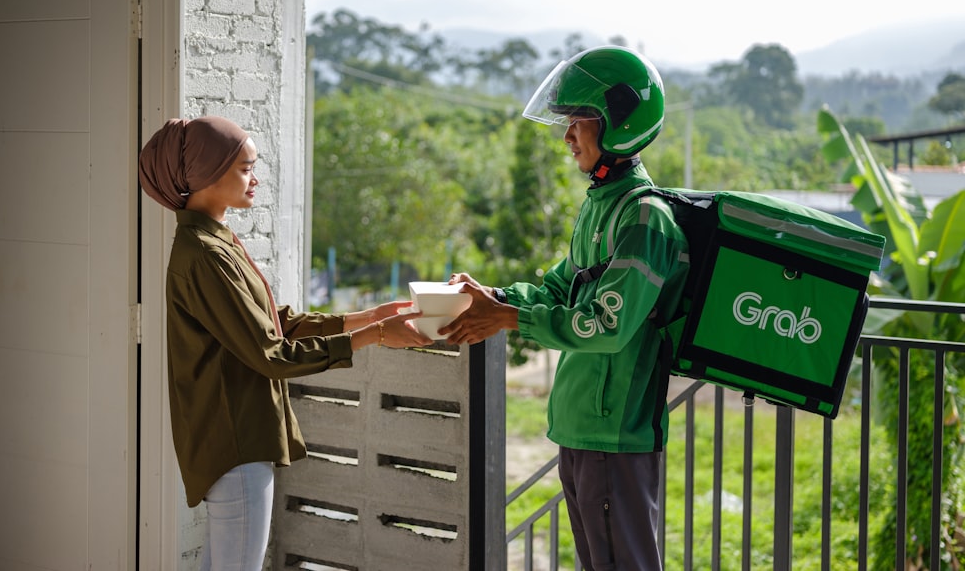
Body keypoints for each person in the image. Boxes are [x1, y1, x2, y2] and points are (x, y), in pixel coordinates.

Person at [138, 115, 432, 571]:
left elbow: (275, 325)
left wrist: (368, 315)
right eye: (244, 168)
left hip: (234, 441)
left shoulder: (214, 242)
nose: (255, 179)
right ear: (204, 174)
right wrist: (372, 336)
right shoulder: (204, 254)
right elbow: (272, 355)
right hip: (235, 443)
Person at [443, 46, 689, 570]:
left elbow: (607, 324)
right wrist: (496, 298)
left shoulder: (644, 219)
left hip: (615, 432)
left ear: (620, 125)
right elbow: (558, 289)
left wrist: (509, 318)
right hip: (580, 427)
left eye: (578, 123)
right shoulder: (601, 206)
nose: (566, 137)